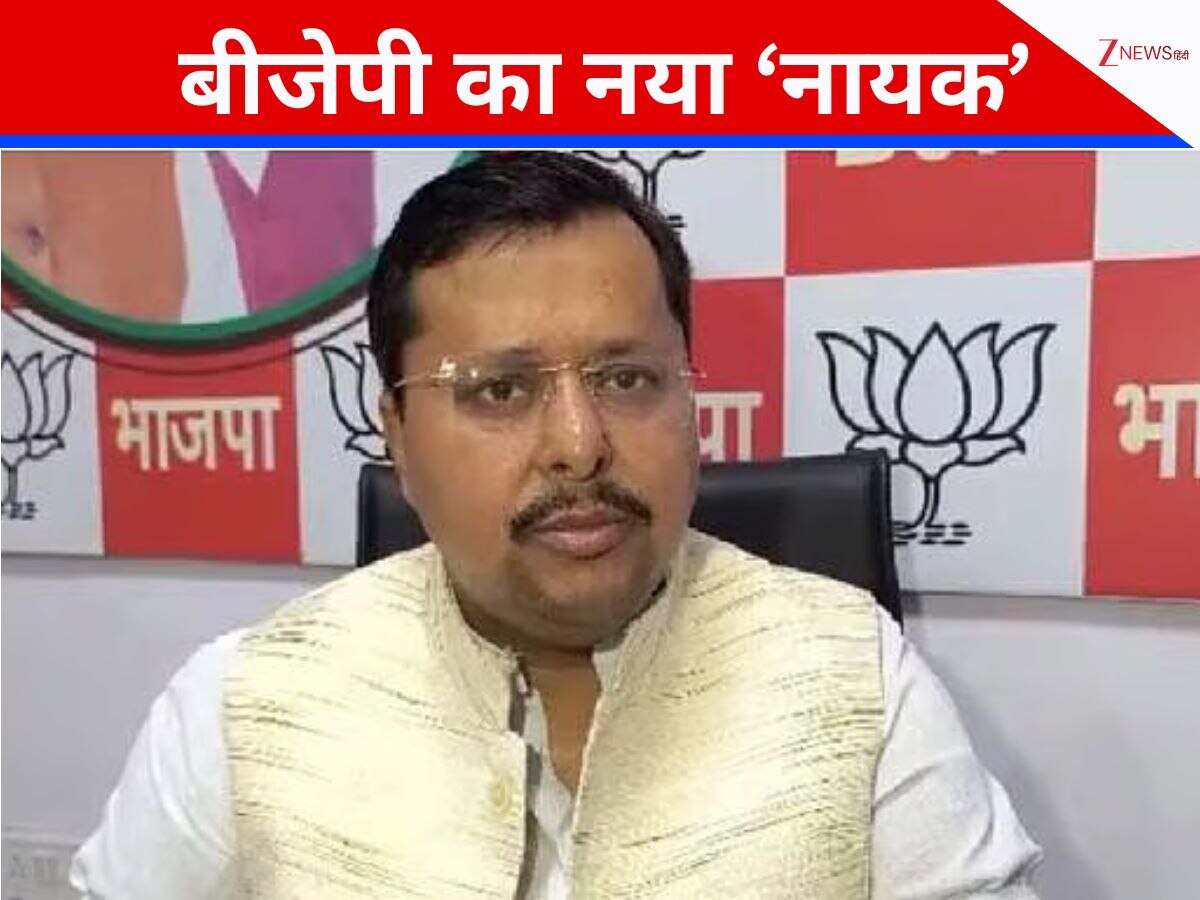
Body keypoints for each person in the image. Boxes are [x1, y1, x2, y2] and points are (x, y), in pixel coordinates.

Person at [70, 151, 1042, 899]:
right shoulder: (239, 706)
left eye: (628, 379)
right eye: (499, 390)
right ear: (397, 435)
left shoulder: (855, 675)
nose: (580, 445)